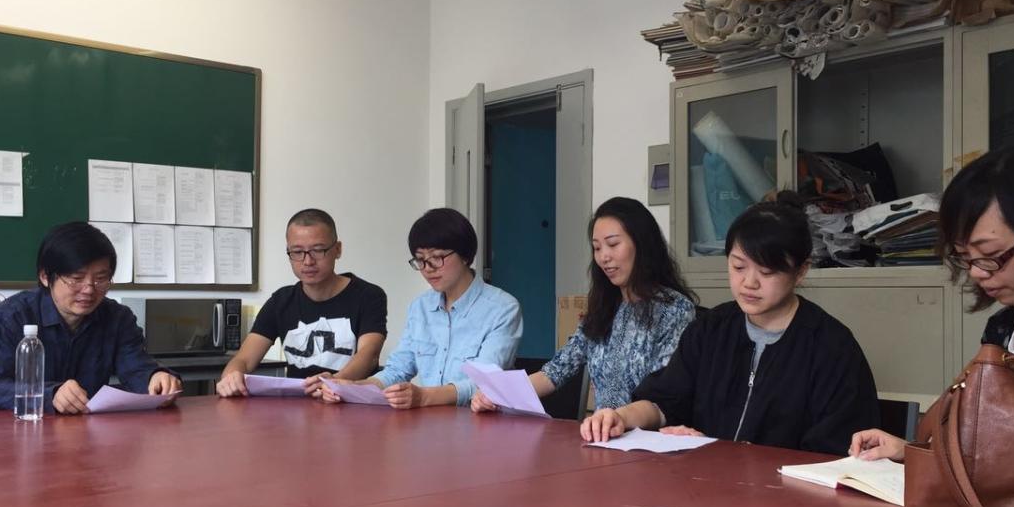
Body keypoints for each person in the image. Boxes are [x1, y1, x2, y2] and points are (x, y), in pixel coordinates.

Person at [852, 143, 1014, 461]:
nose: (976, 272)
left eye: (990, 255)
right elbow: (988, 445)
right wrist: (910, 450)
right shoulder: (1001, 329)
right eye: (965, 257)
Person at [580, 196, 879, 454]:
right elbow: (664, 401)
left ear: (800, 272)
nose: (749, 282)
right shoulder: (710, 330)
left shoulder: (832, 348)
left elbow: (834, 454)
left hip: (784, 497)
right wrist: (621, 417)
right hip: (703, 487)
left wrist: (726, 454)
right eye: (738, 266)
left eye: (767, 272)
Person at [471, 196, 695, 414]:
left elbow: (664, 396)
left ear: (642, 244)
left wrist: (619, 420)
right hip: (601, 433)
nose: (604, 257)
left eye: (613, 244)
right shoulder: (604, 308)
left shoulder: (674, 310)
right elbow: (556, 371)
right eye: (597, 248)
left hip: (647, 434)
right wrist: (498, 394)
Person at [321, 207, 522, 410]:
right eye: (420, 260)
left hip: (479, 421)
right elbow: (397, 370)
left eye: (437, 257)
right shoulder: (421, 306)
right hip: (429, 421)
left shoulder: (502, 309)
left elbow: (484, 383)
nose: (427, 269)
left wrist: (424, 397)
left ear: (465, 255)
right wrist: (352, 387)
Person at [0, 222, 180, 414]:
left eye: (101, 279)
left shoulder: (117, 319)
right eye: (76, 279)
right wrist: (51, 395)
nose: (89, 289)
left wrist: (155, 378)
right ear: (45, 277)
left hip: (89, 434)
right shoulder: (11, 318)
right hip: (23, 432)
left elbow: (136, 368)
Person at [217, 209, 387, 397]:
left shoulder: (368, 296)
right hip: (297, 406)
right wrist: (231, 376)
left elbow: (369, 355)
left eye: (318, 250)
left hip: (349, 402)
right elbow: (244, 359)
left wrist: (333, 383)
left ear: (337, 249)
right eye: (297, 252)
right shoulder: (281, 301)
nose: (307, 261)